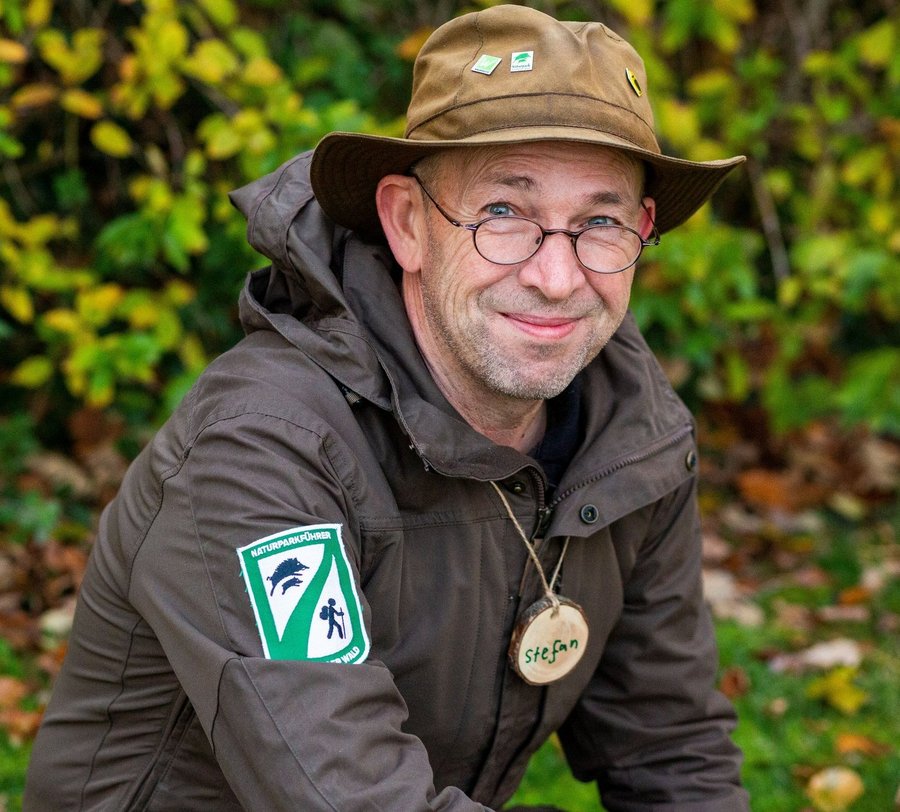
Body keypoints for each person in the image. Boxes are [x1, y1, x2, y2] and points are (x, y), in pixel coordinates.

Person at [25, 5, 750, 810]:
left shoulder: (630, 436)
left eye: (600, 220)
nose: (556, 276)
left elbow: (671, 750)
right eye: (503, 213)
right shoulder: (263, 451)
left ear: (643, 232)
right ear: (407, 223)